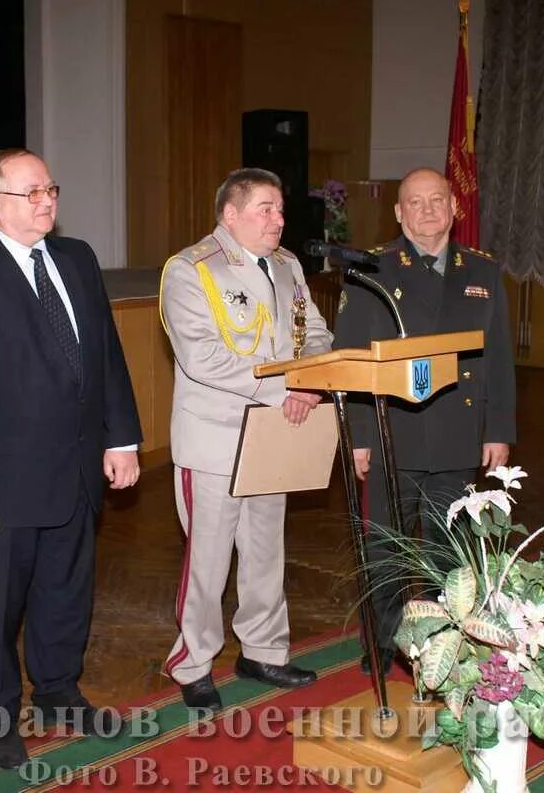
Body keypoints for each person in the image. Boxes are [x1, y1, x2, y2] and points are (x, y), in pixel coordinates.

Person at [0, 149, 142, 768]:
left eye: (51, 189)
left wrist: (121, 437)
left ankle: (58, 692)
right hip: (1, 486)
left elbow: (105, 356)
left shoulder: (77, 258)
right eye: (31, 191)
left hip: (75, 469)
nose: (47, 201)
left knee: (66, 591)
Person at [158, 167, 333, 711]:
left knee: (264, 552)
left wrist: (305, 383)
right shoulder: (191, 269)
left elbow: (317, 333)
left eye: (280, 209)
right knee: (207, 561)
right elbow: (203, 356)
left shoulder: (287, 267)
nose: (278, 219)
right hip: (214, 438)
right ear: (229, 215)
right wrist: (287, 387)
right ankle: (192, 662)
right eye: (265, 209)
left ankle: (263, 650)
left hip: (277, 430)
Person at [332, 167, 516, 674]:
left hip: (458, 438)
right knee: (386, 548)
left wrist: (498, 430)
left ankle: (438, 641)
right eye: (415, 202)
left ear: (455, 207)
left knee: (448, 551)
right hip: (393, 434)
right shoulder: (372, 269)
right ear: (398, 212)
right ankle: (385, 642)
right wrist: (358, 438)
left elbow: (497, 358)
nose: (427, 210)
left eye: (438, 200)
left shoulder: (483, 272)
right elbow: (352, 360)